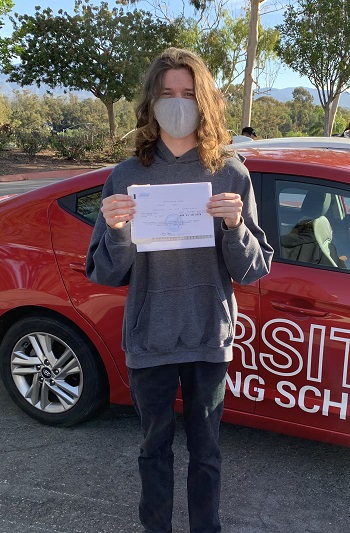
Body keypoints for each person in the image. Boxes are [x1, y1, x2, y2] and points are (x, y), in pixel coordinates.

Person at [85, 47, 272, 533]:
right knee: (154, 452)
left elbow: (252, 270)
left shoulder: (230, 172)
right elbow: (105, 273)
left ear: (205, 101)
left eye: (188, 94)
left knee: (207, 454)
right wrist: (117, 230)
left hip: (208, 336)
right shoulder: (125, 177)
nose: (178, 103)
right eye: (167, 94)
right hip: (150, 338)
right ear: (151, 102)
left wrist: (234, 225)